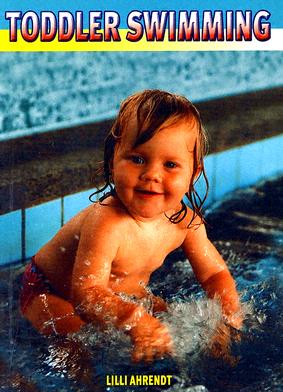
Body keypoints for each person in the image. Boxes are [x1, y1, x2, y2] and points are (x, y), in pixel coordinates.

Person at [20, 89, 242, 362]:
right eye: (137, 159)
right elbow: (86, 294)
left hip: (123, 293)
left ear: (193, 173)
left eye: (171, 164)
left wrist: (229, 320)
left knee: (175, 326)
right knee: (79, 349)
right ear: (114, 161)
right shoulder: (107, 220)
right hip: (48, 290)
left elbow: (214, 275)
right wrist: (136, 320)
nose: (151, 175)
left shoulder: (186, 223)